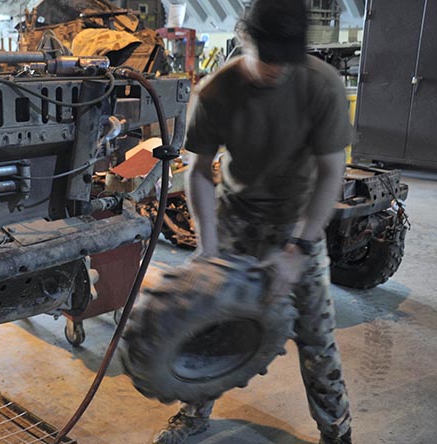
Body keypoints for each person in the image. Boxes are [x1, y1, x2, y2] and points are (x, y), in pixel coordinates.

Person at [152, 0, 353, 443]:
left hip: (297, 224)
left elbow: (330, 174)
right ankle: (194, 413)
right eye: (268, 59)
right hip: (236, 223)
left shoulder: (322, 87)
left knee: (317, 340)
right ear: (245, 40)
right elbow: (199, 171)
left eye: (289, 59)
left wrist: (298, 249)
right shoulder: (216, 92)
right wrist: (206, 249)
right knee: (211, 323)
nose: (278, 70)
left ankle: (336, 431)